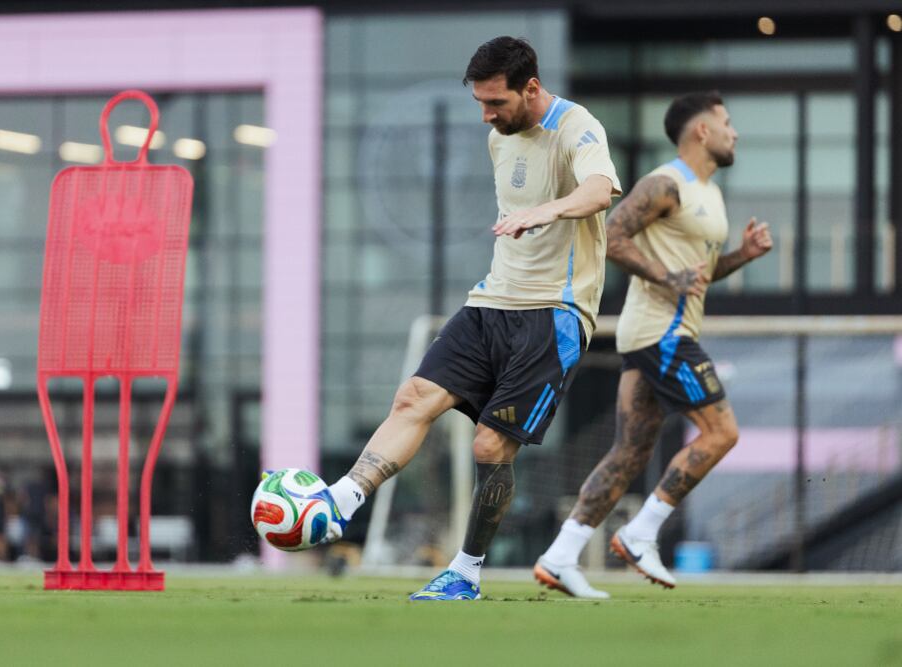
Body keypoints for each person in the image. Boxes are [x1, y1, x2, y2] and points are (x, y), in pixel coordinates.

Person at [321, 36, 621, 600]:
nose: (486, 115)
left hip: (553, 313)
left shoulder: (578, 127)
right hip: (490, 303)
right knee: (413, 397)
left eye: (496, 103)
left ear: (530, 87)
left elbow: (600, 190)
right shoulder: (497, 138)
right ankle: (339, 501)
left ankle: (465, 571)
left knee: (489, 446)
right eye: (480, 103)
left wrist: (548, 210)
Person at [534, 91, 773, 598]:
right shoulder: (666, 183)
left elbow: (699, 274)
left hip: (657, 335)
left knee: (629, 452)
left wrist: (741, 257)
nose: (736, 132)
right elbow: (615, 235)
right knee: (721, 433)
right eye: (727, 123)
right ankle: (641, 533)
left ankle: (559, 557)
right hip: (661, 333)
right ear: (701, 131)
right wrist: (666, 277)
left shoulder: (710, 192)